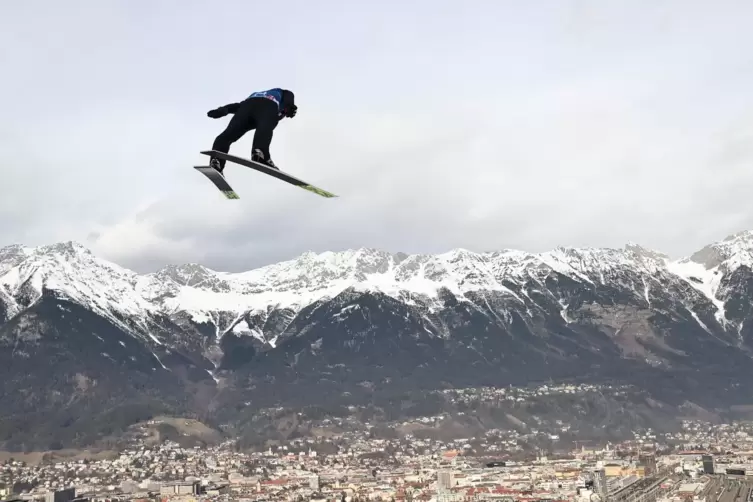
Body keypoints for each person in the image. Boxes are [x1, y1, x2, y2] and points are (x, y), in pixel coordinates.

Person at [206, 88, 298, 173]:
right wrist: (289, 107)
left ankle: (216, 160)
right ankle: (260, 153)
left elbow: (239, 106)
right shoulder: (280, 93)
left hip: (246, 107)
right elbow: (288, 95)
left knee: (227, 135)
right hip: (267, 105)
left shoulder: (256, 94)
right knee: (265, 127)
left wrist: (224, 109)